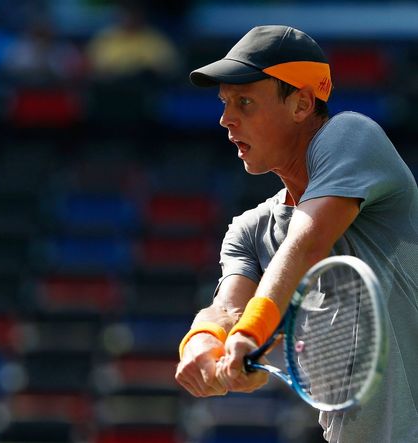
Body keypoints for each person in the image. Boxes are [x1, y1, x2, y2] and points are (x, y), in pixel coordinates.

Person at [174, 25, 418, 442]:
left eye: (245, 102)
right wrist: (204, 342)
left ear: (303, 103)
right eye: (225, 103)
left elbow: (305, 246)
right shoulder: (248, 230)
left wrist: (250, 335)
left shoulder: (352, 135)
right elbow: (227, 309)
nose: (225, 119)